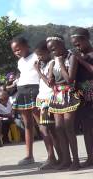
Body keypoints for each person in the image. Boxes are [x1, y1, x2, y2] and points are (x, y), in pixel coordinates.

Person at [47, 35, 81, 170]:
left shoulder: (71, 57)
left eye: (54, 49)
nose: (52, 52)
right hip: (57, 95)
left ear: (61, 44)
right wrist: (50, 77)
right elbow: (51, 79)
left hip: (70, 94)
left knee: (69, 128)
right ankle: (66, 160)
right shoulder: (53, 61)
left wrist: (61, 64)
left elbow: (70, 79)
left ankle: (76, 161)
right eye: (50, 50)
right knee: (59, 128)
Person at [10, 37, 40, 165]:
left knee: (42, 124)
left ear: (26, 45)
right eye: (14, 51)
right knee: (27, 125)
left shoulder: (36, 56)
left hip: (34, 90)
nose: (16, 52)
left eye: (18, 49)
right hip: (22, 91)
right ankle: (29, 156)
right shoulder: (20, 62)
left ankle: (54, 155)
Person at [34, 40, 61, 170]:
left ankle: (52, 157)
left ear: (47, 52)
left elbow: (50, 83)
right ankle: (58, 157)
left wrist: (38, 71)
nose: (39, 57)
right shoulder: (45, 64)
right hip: (43, 99)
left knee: (45, 129)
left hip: (49, 99)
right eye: (37, 55)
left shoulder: (51, 63)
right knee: (51, 130)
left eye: (40, 54)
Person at [71, 28, 93, 167]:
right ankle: (91, 157)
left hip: (91, 90)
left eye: (78, 44)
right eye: (74, 45)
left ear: (86, 39)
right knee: (86, 127)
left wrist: (80, 60)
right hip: (81, 94)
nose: (77, 47)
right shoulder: (77, 56)